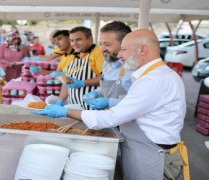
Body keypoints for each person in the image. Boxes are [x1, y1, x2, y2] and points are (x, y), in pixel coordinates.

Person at [33, 29, 189, 180]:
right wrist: (97, 93)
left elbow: (110, 118)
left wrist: (65, 112)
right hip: (140, 146)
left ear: (142, 50)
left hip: (151, 153)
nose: (120, 55)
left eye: (124, 49)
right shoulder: (150, 75)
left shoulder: (153, 80)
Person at [83, 21, 133, 110]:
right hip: (109, 119)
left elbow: (140, 101)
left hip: (128, 121)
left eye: (107, 44)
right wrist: (96, 93)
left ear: (124, 44)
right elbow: (106, 88)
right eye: (100, 44)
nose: (102, 49)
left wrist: (110, 102)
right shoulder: (107, 64)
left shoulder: (136, 67)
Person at [55, 26, 104, 110]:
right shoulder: (74, 56)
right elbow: (67, 83)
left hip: (93, 109)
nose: (74, 43)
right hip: (75, 109)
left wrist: (83, 83)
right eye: (72, 40)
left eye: (78, 39)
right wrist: (59, 101)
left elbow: (105, 78)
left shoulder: (98, 52)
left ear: (90, 39)